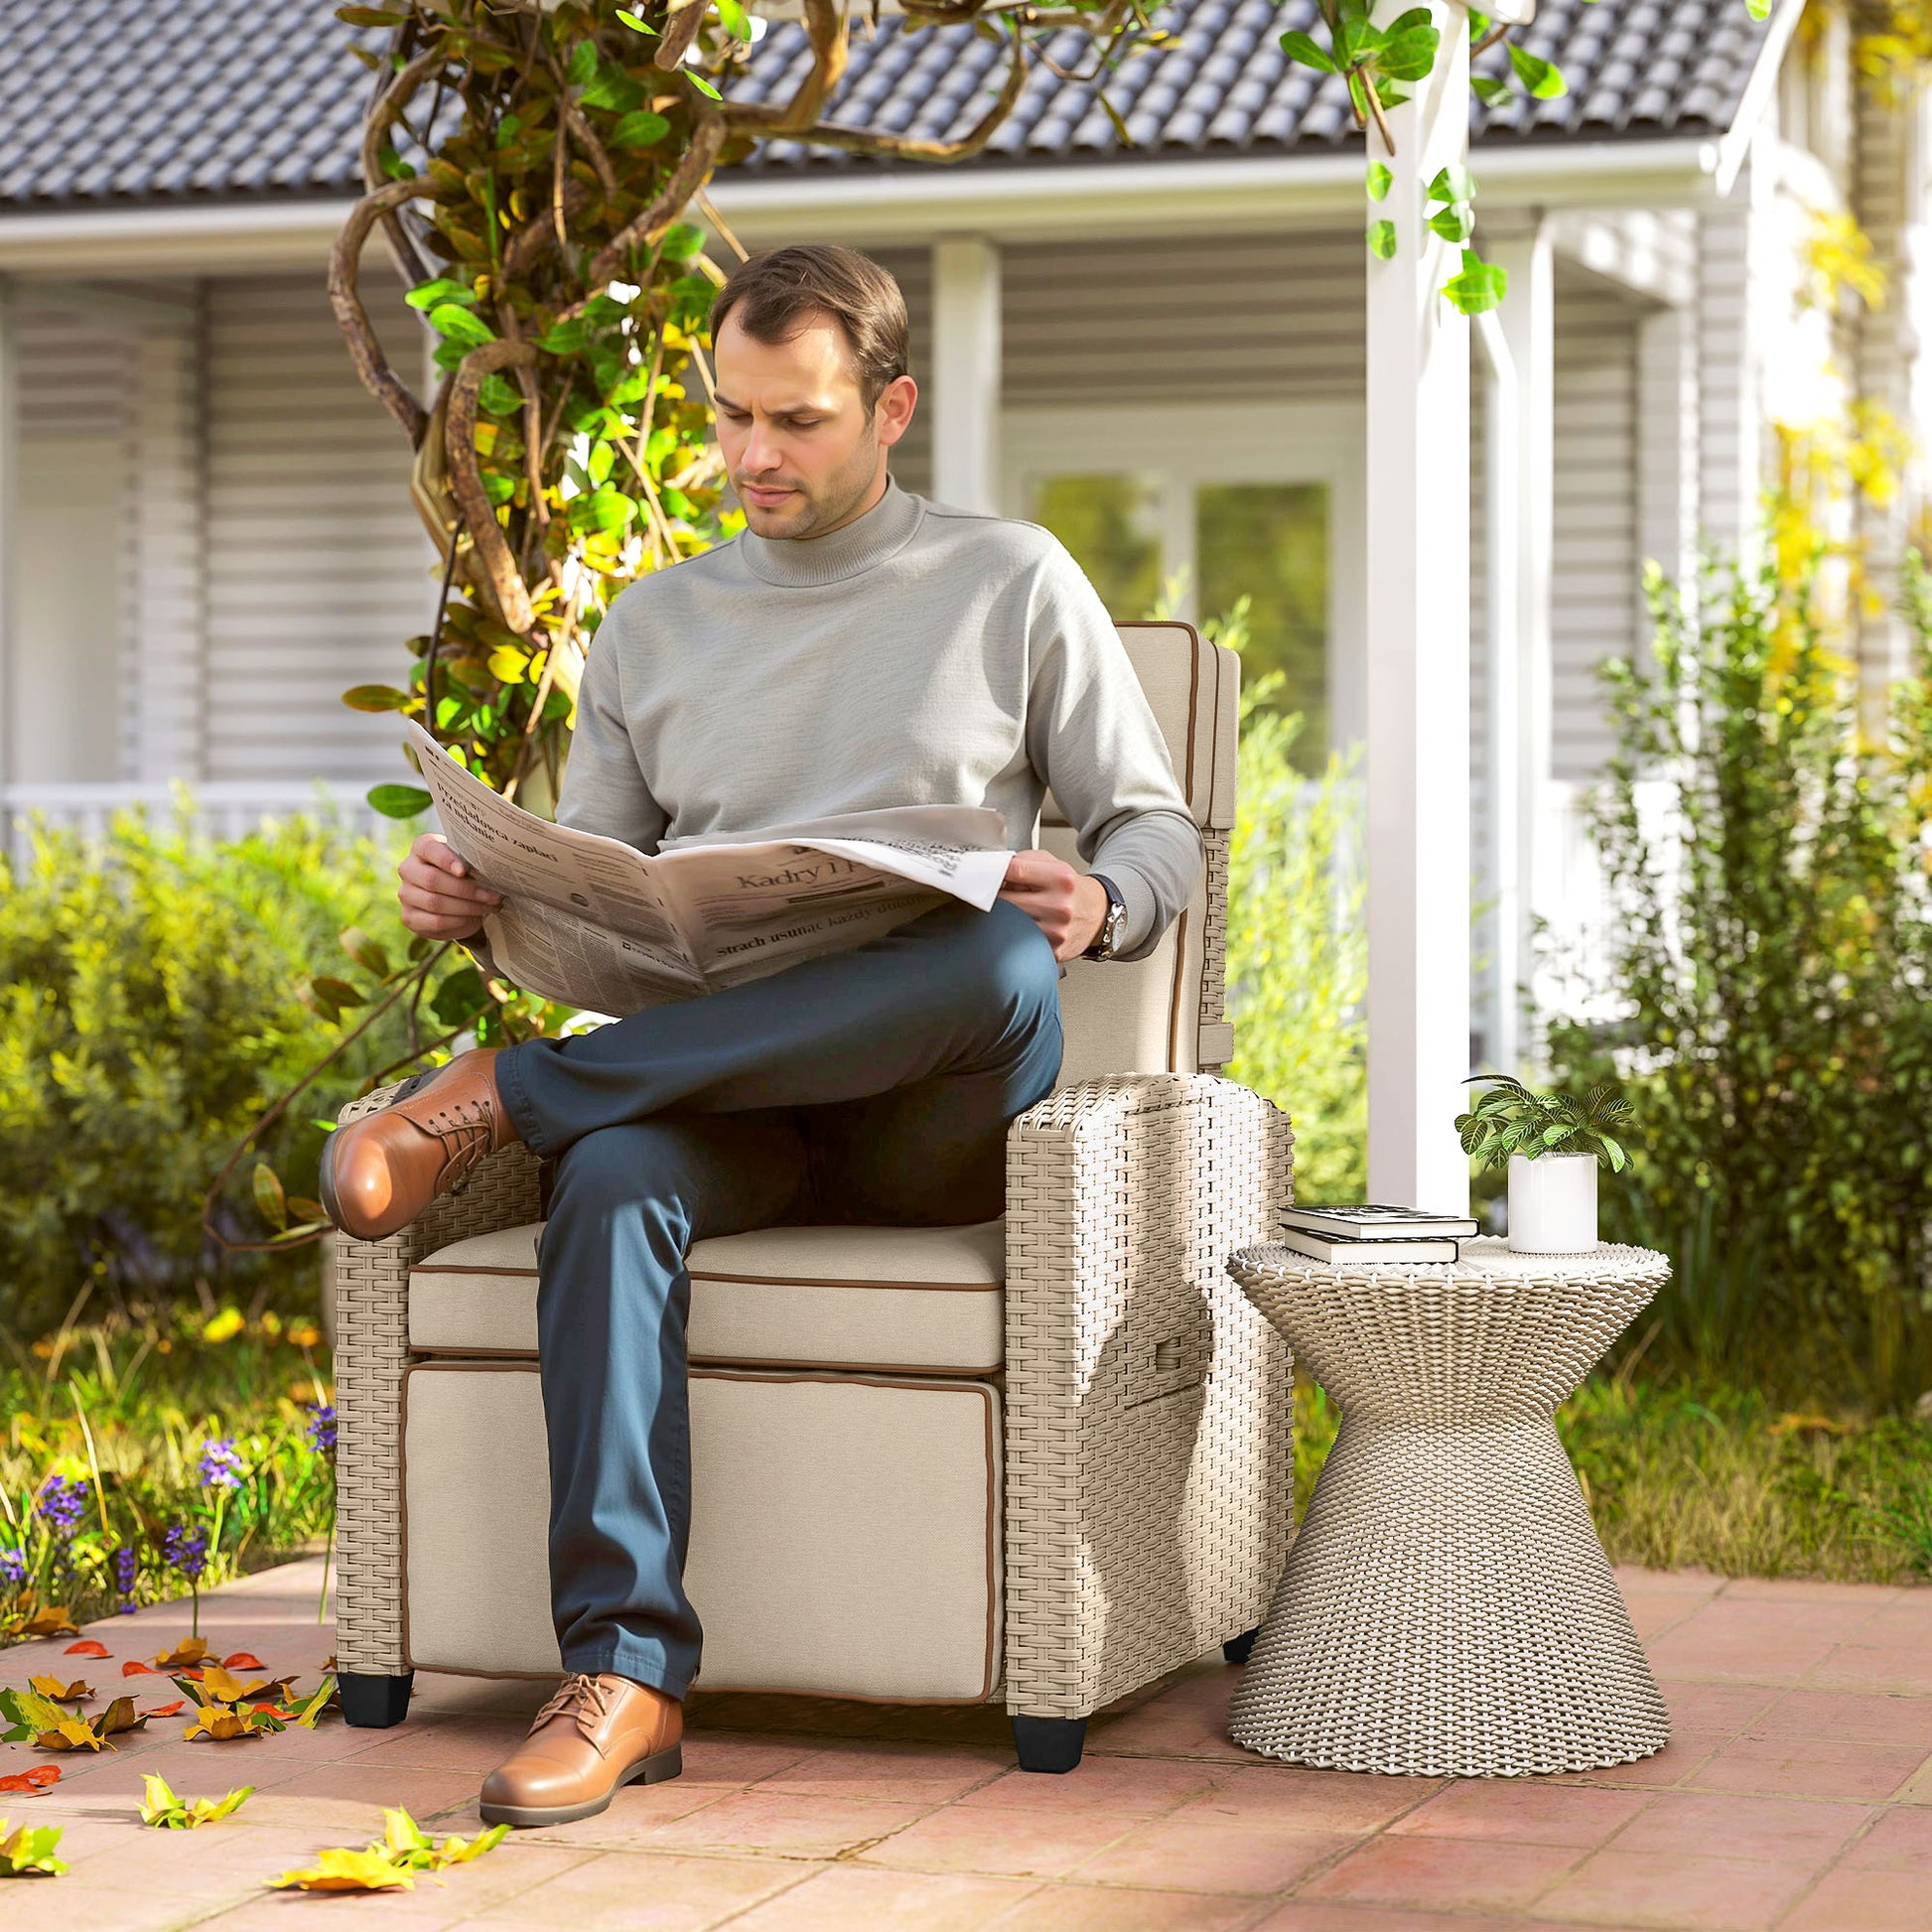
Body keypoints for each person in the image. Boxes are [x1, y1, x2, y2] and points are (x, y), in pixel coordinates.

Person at [320, 243, 1200, 1828]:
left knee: (996, 959)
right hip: (729, 1087)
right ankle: (628, 1671)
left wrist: (1102, 903)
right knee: (608, 1186)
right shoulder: (655, 625)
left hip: (931, 1113)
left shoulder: (1009, 582)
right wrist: (476, 894)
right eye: (728, 417)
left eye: (792, 421)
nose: (749, 458)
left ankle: (506, 1100)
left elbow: (1157, 830)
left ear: (891, 406)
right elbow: (594, 892)